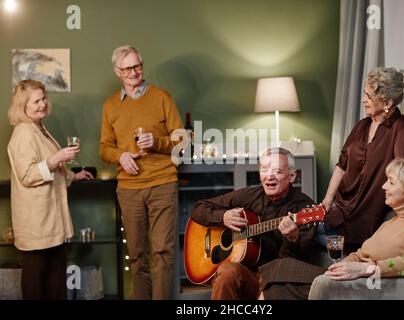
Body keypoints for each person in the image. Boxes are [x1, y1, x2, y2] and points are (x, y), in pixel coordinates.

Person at [99, 45, 183, 300]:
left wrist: (156, 142)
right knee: (136, 256)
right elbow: (104, 148)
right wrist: (120, 156)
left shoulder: (162, 97)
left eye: (138, 66)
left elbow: (181, 140)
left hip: (162, 183)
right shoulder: (111, 106)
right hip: (129, 188)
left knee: (162, 253)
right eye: (127, 68)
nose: (134, 72)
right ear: (117, 71)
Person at [191, 147, 323, 300]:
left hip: (278, 280)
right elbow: (199, 208)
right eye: (264, 170)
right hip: (247, 275)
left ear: (292, 176)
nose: (269, 177)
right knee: (227, 271)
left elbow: (295, 267)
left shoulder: (304, 209)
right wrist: (223, 216)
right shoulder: (251, 195)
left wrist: (291, 239)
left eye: (278, 172)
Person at [7, 80, 94, 300]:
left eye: (43, 98)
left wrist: (74, 175)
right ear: (22, 106)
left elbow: (53, 173)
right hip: (37, 222)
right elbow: (27, 175)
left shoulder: (39, 129)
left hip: (49, 222)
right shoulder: (23, 133)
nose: (42, 104)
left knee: (55, 277)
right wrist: (57, 158)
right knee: (37, 280)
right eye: (35, 101)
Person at [321, 67, 404, 247]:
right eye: (364, 94)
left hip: (367, 220)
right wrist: (327, 201)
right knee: (301, 231)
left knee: (308, 236)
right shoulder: (362, 126)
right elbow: (341, 165)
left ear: (387, 103)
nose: (363, 100)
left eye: (369, 97)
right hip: (339, 212)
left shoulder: (401, 128)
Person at [323, 157, 404, 281]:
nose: (383, 186)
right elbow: (360, 254)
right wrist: (342, 266)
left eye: (391, 182)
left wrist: (366, 269)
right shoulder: (391, 222)